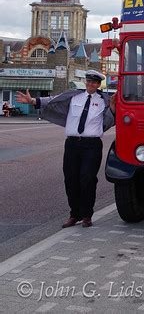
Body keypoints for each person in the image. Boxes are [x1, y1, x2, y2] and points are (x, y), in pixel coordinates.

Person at [15, 70, 116, 229]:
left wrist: (113, 108)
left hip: (92, 145)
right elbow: (52, 100)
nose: (91, 84)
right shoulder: (73, 96)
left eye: (95, 82)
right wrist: (33, 100)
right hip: (72, 145)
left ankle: (87, 215)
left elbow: (110, 119)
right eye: (89, 81)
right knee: (70, 180)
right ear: (85, 81)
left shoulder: (104, 101)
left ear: (99, 84)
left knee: (87, 179)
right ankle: (74, 215)